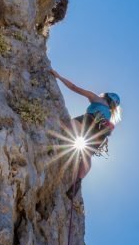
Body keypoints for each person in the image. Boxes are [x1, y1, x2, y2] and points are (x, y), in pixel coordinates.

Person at [49, 69, 122, 199]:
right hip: (100, 132)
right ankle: (78, 180)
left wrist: (58, 76)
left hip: (90, 120)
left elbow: (73, 87)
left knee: (71, 126)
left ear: (106, 96)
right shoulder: (110, 114)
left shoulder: (97, 99)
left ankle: (62, 145)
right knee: (87, 154)